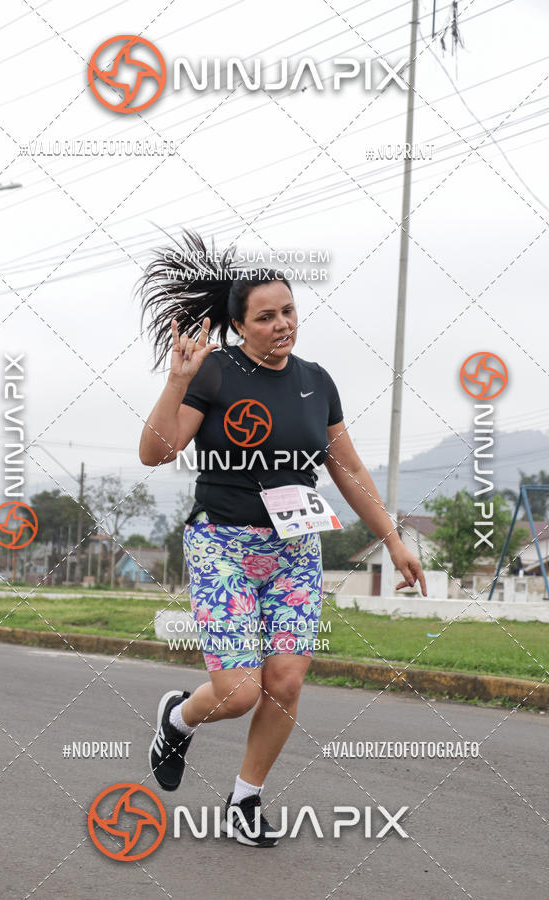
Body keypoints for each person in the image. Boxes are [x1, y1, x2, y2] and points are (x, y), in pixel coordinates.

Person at [138, 229, 427, 847]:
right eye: (265, 317)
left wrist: (394, 538)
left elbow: (347, 470)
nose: (281, 324)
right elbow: (155, 452)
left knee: (288, 679)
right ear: (240, 327)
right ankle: (178, 718)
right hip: (223, 547)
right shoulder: (213, 372)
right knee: (239, 693)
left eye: (288, 311)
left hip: (295, 549)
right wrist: (176, 382)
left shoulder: (316, 381)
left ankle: (246, 799)